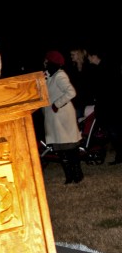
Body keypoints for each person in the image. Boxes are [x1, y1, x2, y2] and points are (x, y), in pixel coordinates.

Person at [42, 50, 84, 184]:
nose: (45, 62)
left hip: (62, 116)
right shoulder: (50, 76)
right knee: (61, 150)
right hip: (55, 118)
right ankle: (69, 176)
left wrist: (57, 104)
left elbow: (71, 92)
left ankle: (77, 175)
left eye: (47, 61)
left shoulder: (60, 75)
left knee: (70, 148)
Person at [67, 47, 96, 120]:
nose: (71, 56)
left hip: (87, 101)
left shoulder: (88, 66)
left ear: (78, 54)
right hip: (76, 101)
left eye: (73, 54)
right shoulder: (72, 68)